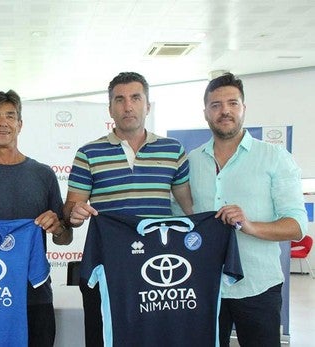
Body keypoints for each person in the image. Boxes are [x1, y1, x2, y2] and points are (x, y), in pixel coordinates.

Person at [63, 71, 194, 346]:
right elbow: (71, 211)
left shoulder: (174, 150)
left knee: (156, 337)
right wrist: (74, 215)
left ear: (148, 105)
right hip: (106, 265)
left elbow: (190, 210)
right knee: (103, 336)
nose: (128, 106)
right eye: (120, 100)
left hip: (157, 267)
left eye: (135, 98)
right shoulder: (88, 153)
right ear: (110, 108)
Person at [188, 72, 307, 347]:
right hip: (206, 287)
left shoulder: (275, 158)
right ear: (205, 112)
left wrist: (250, 225)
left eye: (232, 103)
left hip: (258, 287)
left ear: (244, 108)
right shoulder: (192, 162)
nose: (224, 111)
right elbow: (180, 217)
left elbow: (298, 225)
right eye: (215, 105)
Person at [0, 89, 72, 346]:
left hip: (35, 295)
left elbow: (65, 239)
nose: (3, 122)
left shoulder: (43, 175)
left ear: (20, 124)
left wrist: (57, 228)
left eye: (10, 116)